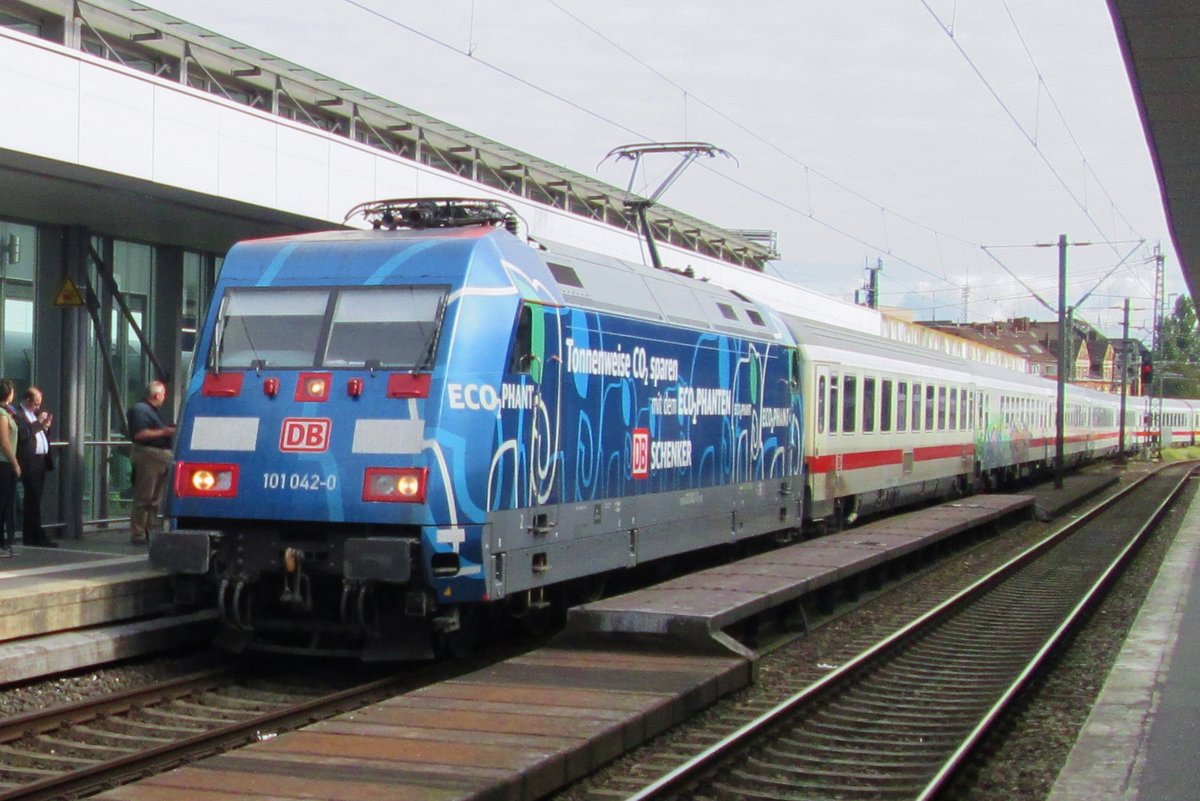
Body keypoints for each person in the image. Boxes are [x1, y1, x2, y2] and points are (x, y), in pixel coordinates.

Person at [127, 380, 176, 545]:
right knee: (144, 496)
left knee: (155, 499)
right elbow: (139, 434)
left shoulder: (151, 411)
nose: (164, 397)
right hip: (149, 456)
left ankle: (149, 529)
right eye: (163, 394)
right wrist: (164, 431)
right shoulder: (141, 410)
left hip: (158, 457)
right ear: (156, 395)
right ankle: (138, 533)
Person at [12, 386, 55, 547]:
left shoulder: (33, 414)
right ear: (27, 400)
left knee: (35, 499)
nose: (38, 407)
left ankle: (35, 534)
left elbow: (37, 433)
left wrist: (45, 426)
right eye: (36, 403)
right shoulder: (18, 414)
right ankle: (32, 535)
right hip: (28, 461)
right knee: (32, 499)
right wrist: (38, 423)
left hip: (40, 461)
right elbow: (24, 435)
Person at [0, 380, 21, 558]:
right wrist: (15, 463)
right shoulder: (1, 414)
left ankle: (4, 543)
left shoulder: (8, 412)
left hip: (7, 463)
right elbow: (5, 442)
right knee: (2, 503)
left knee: (6, 503)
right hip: (4, 463)